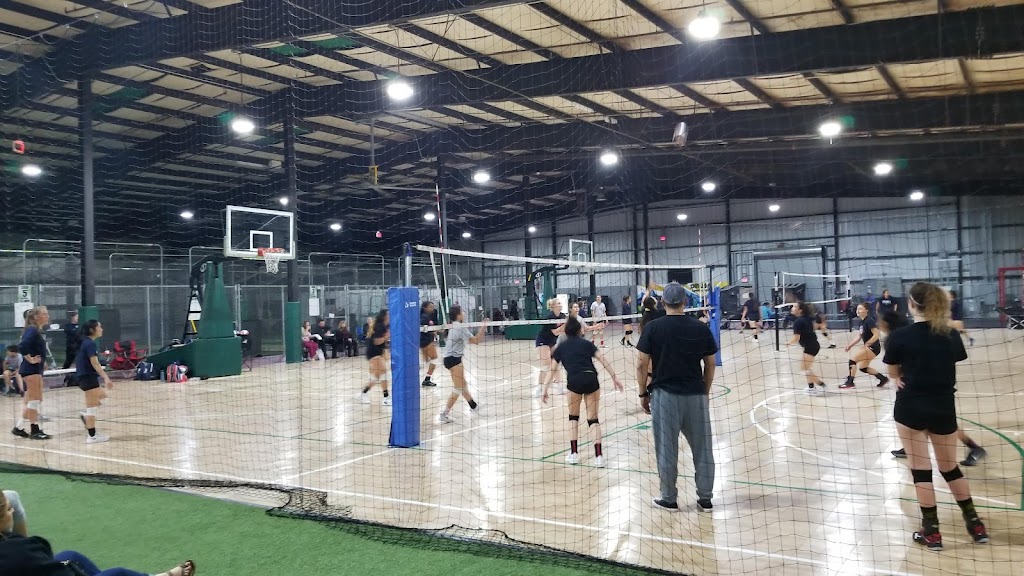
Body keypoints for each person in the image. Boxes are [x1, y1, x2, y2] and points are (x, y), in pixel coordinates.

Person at [883, 281, 989, 550]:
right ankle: (975, 525)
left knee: (921, 471)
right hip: (943, 407)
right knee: (950, 467)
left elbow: (893, 373)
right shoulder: (950, 334)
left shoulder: (899, 337)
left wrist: (898, 377)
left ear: (911, 304)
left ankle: (931, 532)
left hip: (910, 407)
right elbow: (950, 362)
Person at [636, 282, 718, 512]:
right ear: (685, 302)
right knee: (703, 448)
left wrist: (643, 393)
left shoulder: (652, 328)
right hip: (695, 395)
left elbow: (641, 364)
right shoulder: (700, 328)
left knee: (667, 448)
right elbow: (710, 364)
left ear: (663, 302)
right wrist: (705, 392)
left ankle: (669, 498)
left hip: (665, 396)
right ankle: (705, 499)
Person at [0, 491, 196, 576]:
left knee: (70, 555)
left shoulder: (19, 546)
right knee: (118, 573)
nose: (13, 511)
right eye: (9, 509)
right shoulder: (23, 549)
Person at [880, 311, 987, 466]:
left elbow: (896, 369)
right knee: (925, 421)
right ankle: (910, 447)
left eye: (880, 320)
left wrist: (898, 375)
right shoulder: (903, 336)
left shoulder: (897, 339)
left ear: (886, 324)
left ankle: (974, 447)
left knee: (935, 423)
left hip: (923, 388)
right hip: (927, 387)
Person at [543, 316, 623, 466]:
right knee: (593, 419)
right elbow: (602, 359)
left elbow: (552, 369)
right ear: (580, 330)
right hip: (591, 379)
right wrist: (614, 377)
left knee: (573, 417)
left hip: (574, 381)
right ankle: (599, 457)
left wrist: (545, 388)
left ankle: (574, 454)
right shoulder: (587, 344)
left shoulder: (561, 347)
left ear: (566, 331)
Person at [437, 306, 487, 423]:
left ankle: (473, 405)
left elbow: (469, 340)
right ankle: (444, 414)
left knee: (463, 384)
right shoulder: (460, 327)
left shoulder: (452, 326)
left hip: (449, 359)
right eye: (462, 312)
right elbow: (476, 341)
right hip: (454, 359)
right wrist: (483, 327)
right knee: (458, 388)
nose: (463, 314)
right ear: (458, 315)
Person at [12, 306, 51, 440]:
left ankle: (19, 428)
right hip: (31, 370)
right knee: (34, 400)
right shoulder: (32, 330)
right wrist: (30, 359)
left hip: (35, 370)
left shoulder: (35, 330)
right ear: (36, 317)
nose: (47, 316)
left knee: (33, 400)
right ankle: (35, 430)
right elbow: (23, 346)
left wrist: (42, 362)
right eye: (44, 314)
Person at [75, 320, 113, 444]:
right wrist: (106, 378)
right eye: (99, 327)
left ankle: (85, 415)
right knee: (92, 408)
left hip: (87, 377)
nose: (102, 329)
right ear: (92, 330)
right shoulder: (89, 343)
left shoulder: (86, 342)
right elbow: (95, 363)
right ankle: (92, 436)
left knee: (103, 397)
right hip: (87, 378)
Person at [839, 303, 888, 389]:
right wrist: (850, 345)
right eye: (857, 309)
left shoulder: (869, 321)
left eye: (860, 309)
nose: (858, 311)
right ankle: (883, 379)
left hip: (873, 347)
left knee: (852, 361)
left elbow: (877, 334)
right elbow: (859, 336)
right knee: (863, 368)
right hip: (871, 348)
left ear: (866, 311)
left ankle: (850, 382)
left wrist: (867, 344)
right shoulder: (862, 322)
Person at [787, 301, 826, 393]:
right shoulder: (807, 318)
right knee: (806, 368)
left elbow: (796, 338)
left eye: (794, 307)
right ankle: (811, 387)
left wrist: (788, 343)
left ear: (800, 310)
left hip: (810, 347)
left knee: (804, 369)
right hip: (812, 345)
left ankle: (822, 385)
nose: (792, 308)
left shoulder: (798, 322)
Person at [533, 299, 566, 398]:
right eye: (558, 303)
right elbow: (555, 332)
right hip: (543, 341)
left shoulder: (563, 316)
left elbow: (563, 331)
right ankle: (539, 388)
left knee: (556, 363)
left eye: (561, 303)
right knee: (546, 365)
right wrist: (564, 326)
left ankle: (559, 387)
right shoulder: (549, 317)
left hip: (553, 342)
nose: (561, 305)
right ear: (553, 306)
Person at [362, 309, 391, 406]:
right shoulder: (379, 326)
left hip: (379, 352)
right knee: (384, 372)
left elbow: (384, 343)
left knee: (377, 376)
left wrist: (386, 352)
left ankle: (364, 393)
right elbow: (376, 342)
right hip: (373, 352)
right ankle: (386, 398)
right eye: (388, 314)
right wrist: (387, 336)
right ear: (384, 316)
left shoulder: (386, 326)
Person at [419, 302, 440, 387]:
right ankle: (427, 379)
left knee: (428, 360)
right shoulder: (424, 317)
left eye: (433, 306)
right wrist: (435, 331)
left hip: (426, 341)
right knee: (434, 359)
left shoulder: (429, 316)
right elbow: (425, 329)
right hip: (426, 341)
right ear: (425, 308)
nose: (432, 308)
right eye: (430, 307)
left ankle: (427, 378)